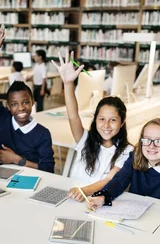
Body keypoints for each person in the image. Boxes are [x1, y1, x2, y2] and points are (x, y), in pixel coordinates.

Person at [52, 51, 132, 201]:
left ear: (122, 122)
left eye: (113, 120)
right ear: (95, 120)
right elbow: (73, 115)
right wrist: (68, 83)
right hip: (72, 197)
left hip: (95, 200)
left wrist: (83, 191)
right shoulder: (84, 139)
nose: (106, 125)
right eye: (101, 119)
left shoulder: (127, 151)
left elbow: (109, 180)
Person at [0, 25, 55, 172]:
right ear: (8, 106)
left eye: (25, 102)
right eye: (14, 104)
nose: (20, 108)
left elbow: (48, 169)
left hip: (30, 183)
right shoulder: (3, 118)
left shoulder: (42, 134)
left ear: (33, 102)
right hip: (1, 180)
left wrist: (16, 160)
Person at [87, 118, 160, 212]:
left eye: (159, 141)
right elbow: (119, 181)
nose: (152, 146)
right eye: (146, 140)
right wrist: (103, 196)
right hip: (135, 215)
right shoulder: (135, 158)